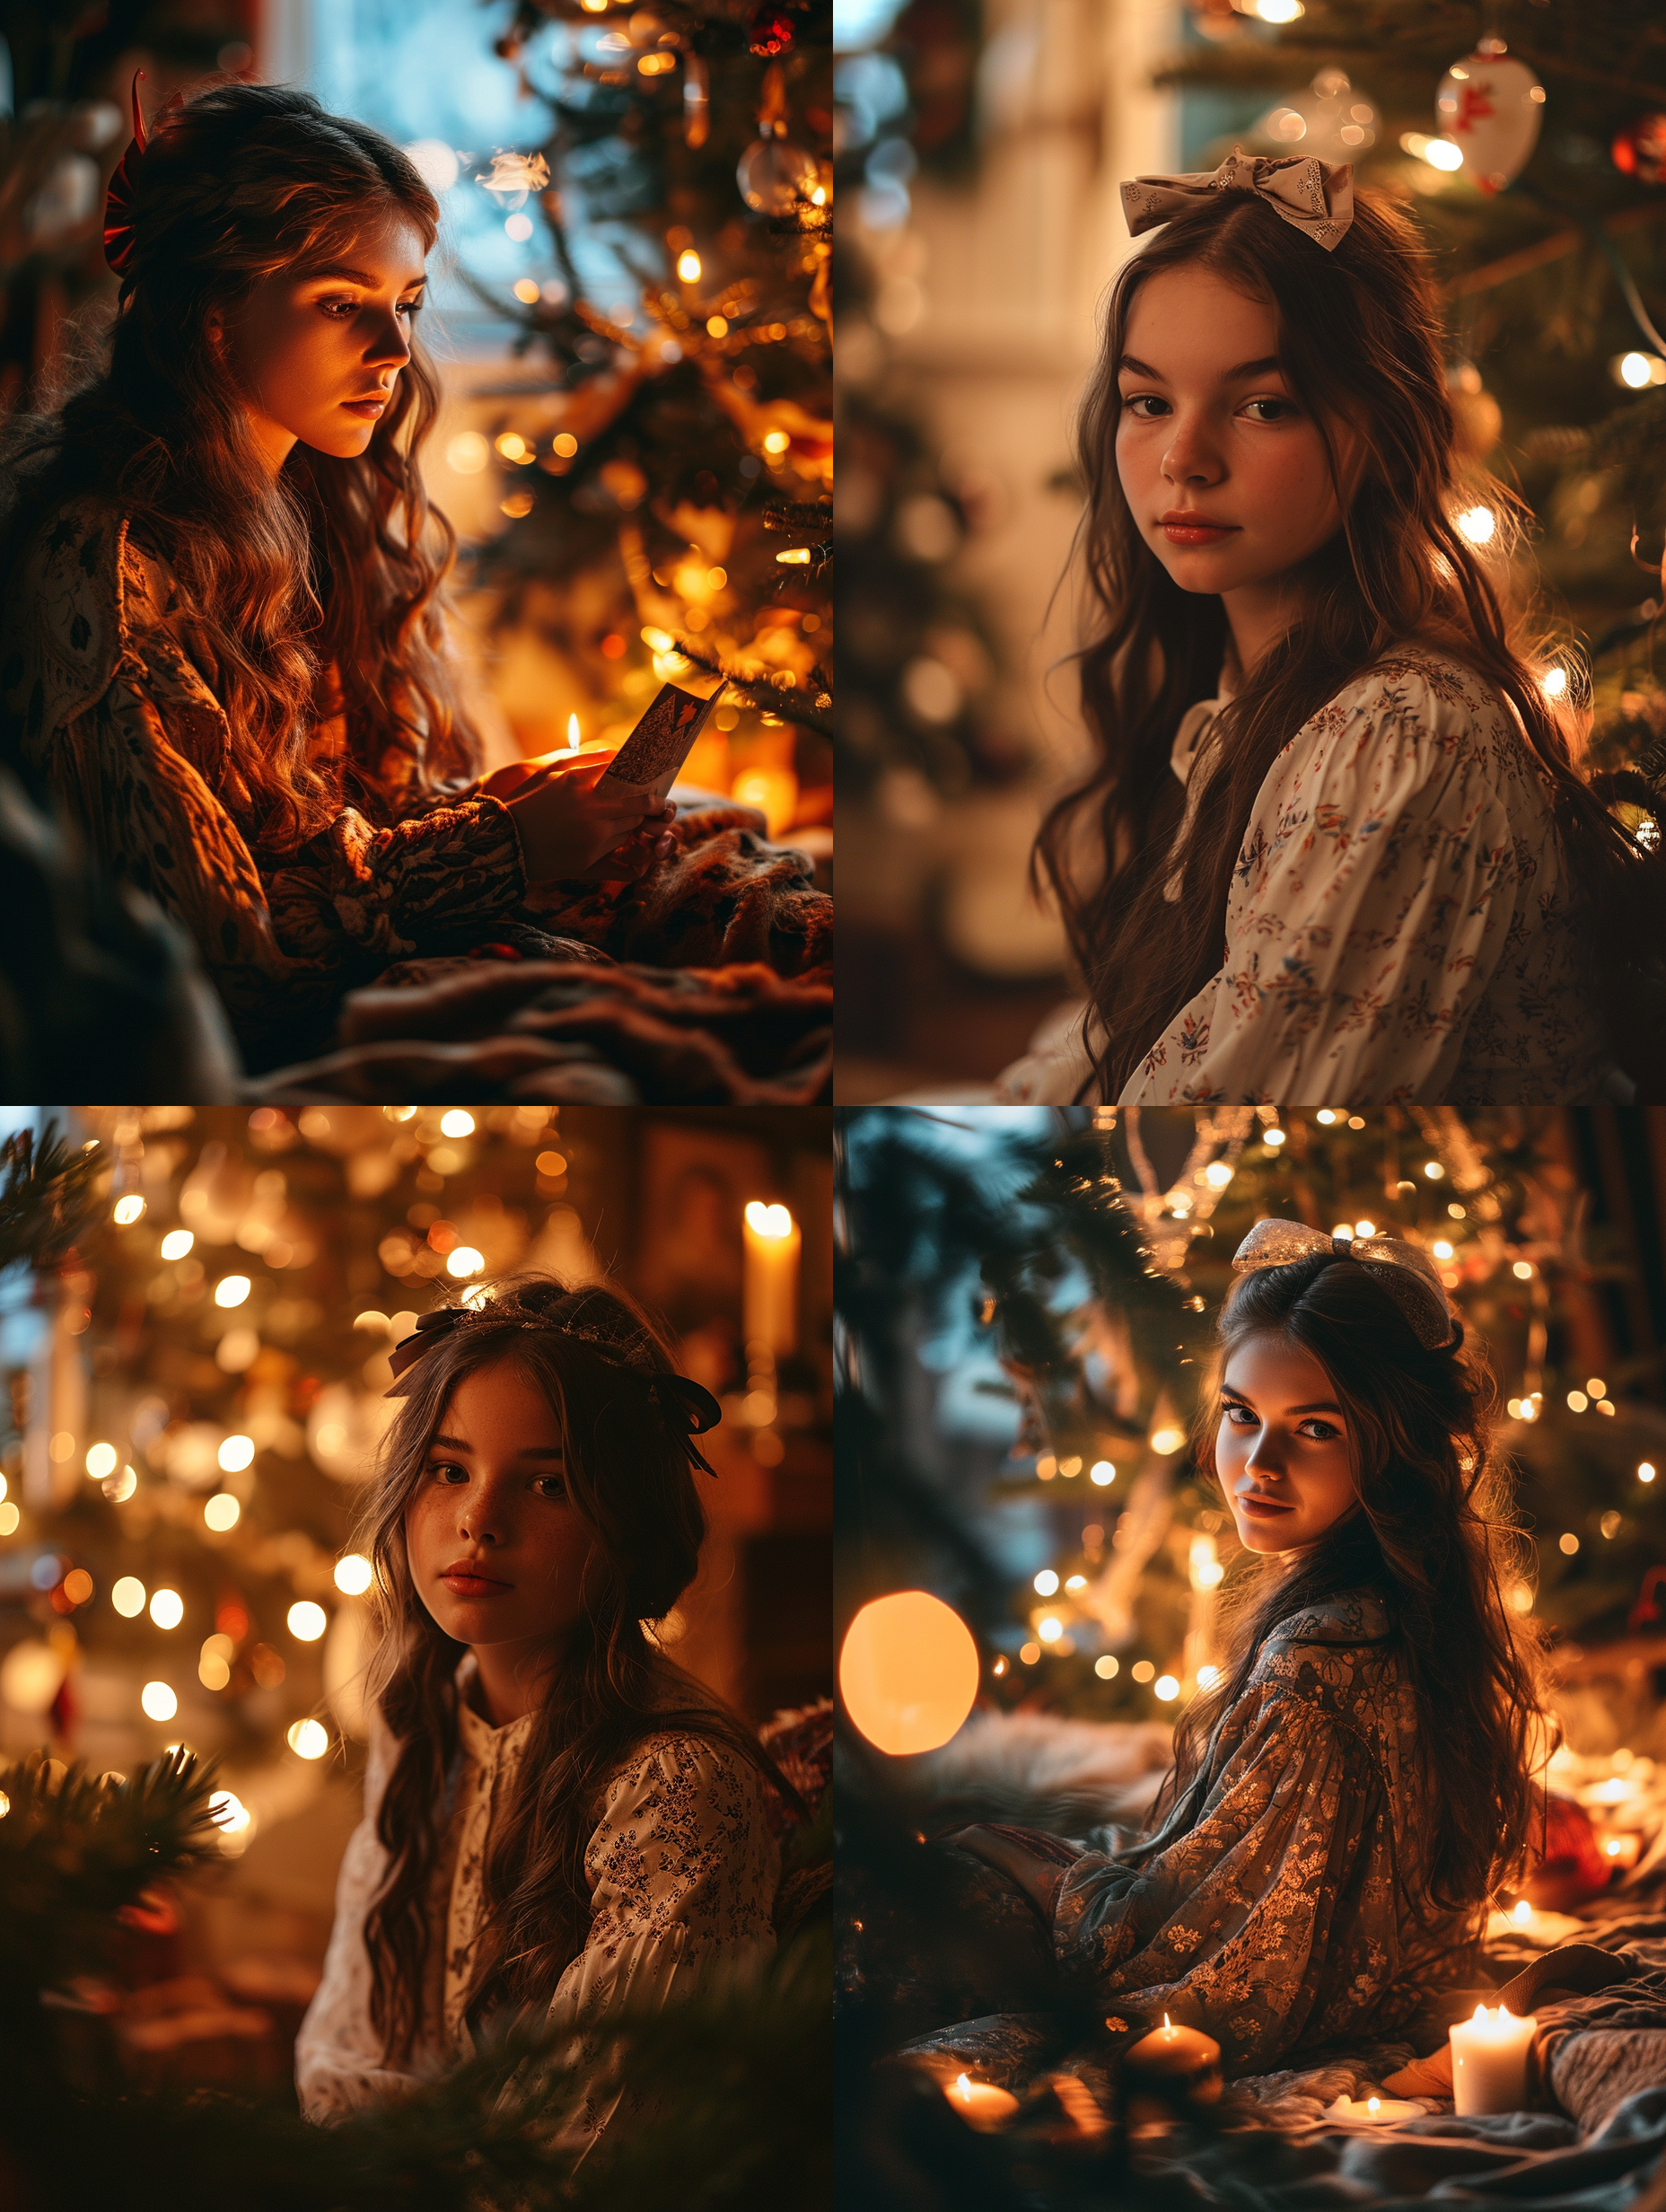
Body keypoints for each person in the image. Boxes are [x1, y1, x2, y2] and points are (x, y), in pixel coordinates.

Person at [0, 81, 817, 1075]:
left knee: (713, 853)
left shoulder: (331, 507)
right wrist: (499, 849)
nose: (393, 354)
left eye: (406, 305)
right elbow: (222, 962)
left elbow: (368, 815)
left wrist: (501, 811)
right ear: (211, 313)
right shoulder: (108, 559)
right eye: (343, 304)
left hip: (397, 935)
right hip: (311, 1007)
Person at [994, 154, 1664, 1109]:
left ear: (1377, 431)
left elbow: (1224, 1112)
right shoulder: (1240, 697)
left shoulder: (1398, 736)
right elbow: (1115, 1045)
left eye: (1262, 406)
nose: (1181, 459)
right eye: (1148, 402)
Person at [881, 1223, 1555, 2093]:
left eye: (1313, 1428)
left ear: (1388, 1447)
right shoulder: (1407, 1614)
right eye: (1241, 1415)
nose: (1256, 1465)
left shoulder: (1311, 1671)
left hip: (1232, 2008)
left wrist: (1032, 1868)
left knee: (888, 1918)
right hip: (1358, 1987)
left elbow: (1201, 1963)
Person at [294, 1276, 795, 2154]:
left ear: (623, 1523)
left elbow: (584, 2143)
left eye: (548, 1485)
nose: (479, 1521)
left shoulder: (674, 1786)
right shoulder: (424, 1724)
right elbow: (344, 2047)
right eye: (449, 1470)